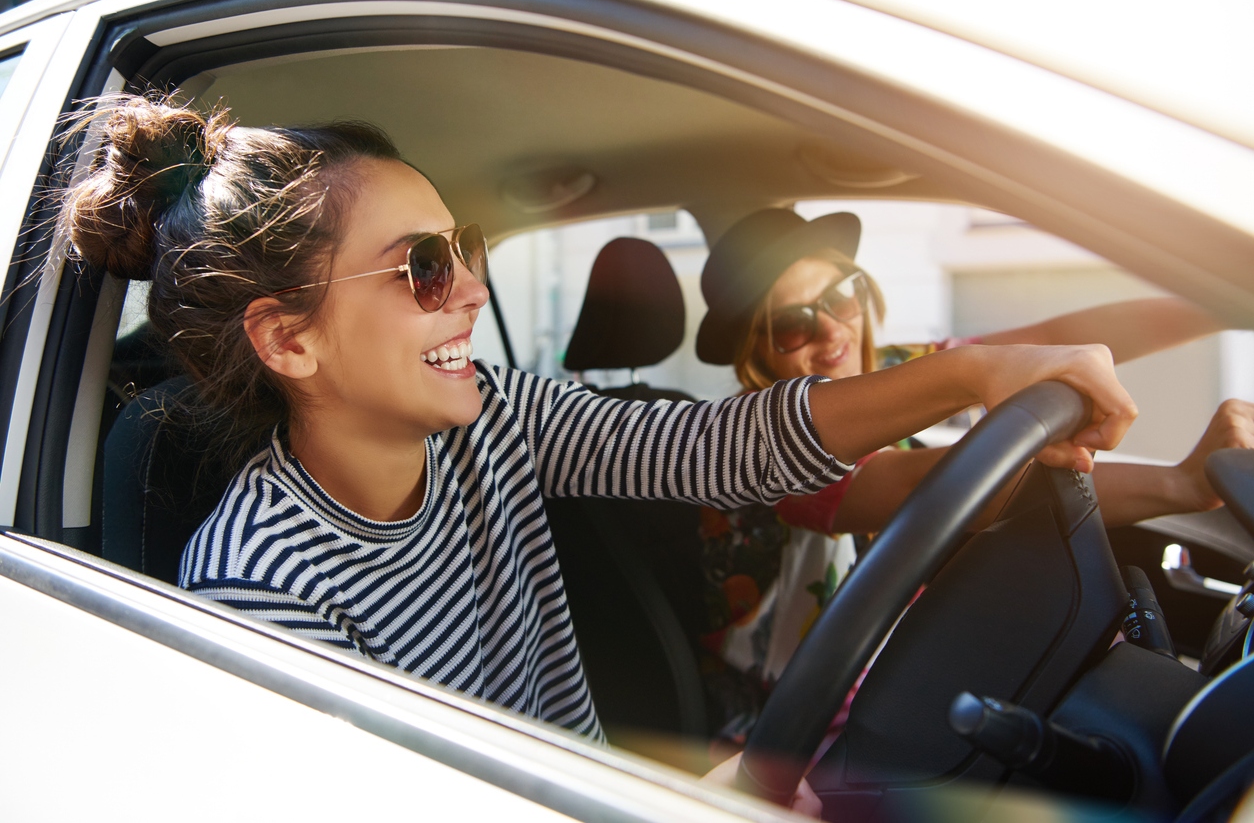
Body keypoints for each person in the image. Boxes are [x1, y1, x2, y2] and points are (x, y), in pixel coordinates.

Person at [59, 96, 1135, 812]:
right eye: (421, 268)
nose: (473, 290)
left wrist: (977, 375)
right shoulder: (259, 588)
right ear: (290, 339)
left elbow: (720, 449)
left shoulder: (497, 418)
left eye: (467, 249)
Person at [691, 207, 1253, 746]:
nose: (832, 331)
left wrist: (1217, 303)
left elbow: (1047, 341)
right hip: (790, 729)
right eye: (793, 324)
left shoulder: (890, 368)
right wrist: (1180, 483)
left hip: (892, 674)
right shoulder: (758, 443)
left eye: (840, 295)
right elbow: (928, 489)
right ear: (756, 352)